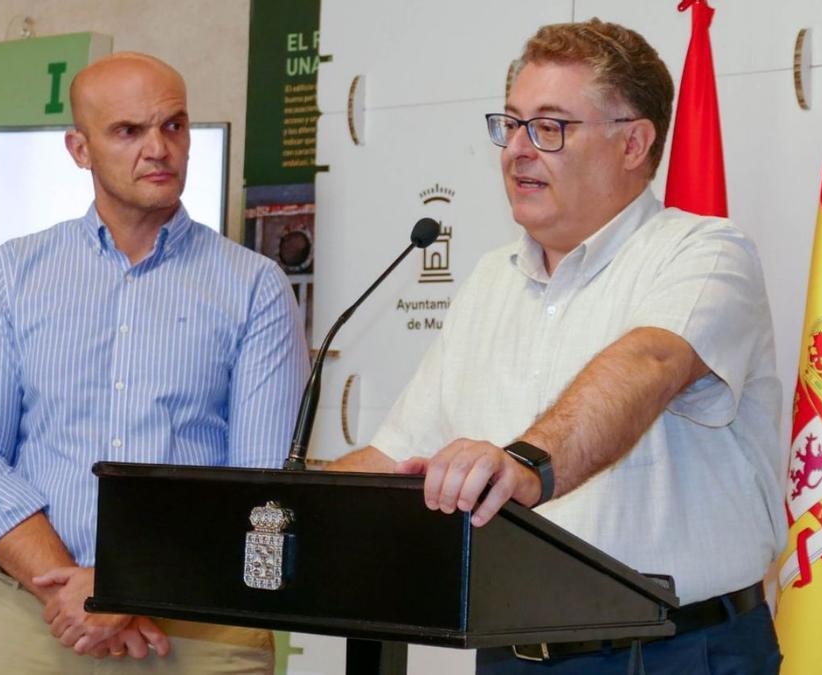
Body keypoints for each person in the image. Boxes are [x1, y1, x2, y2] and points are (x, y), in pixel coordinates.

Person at [330, 19, 784, 674]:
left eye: (549, 127)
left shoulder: (704, 252)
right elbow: (398, 456)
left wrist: (523, 464)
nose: (516, 149)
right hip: (510, 652)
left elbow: (647, 363)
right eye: (510, 124)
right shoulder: (491, 279)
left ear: (634, 143)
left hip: (673, 651)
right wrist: (279, 509)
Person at [0, 52, 309, 675]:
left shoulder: (255, 286)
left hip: (196, 633)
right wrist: (71, 591)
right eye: (128, 131)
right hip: (26, 624)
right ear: (79, 149)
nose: (158, 148)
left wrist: (121, 590)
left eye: (174, 126)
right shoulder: (12, 274)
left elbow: (261, 485)